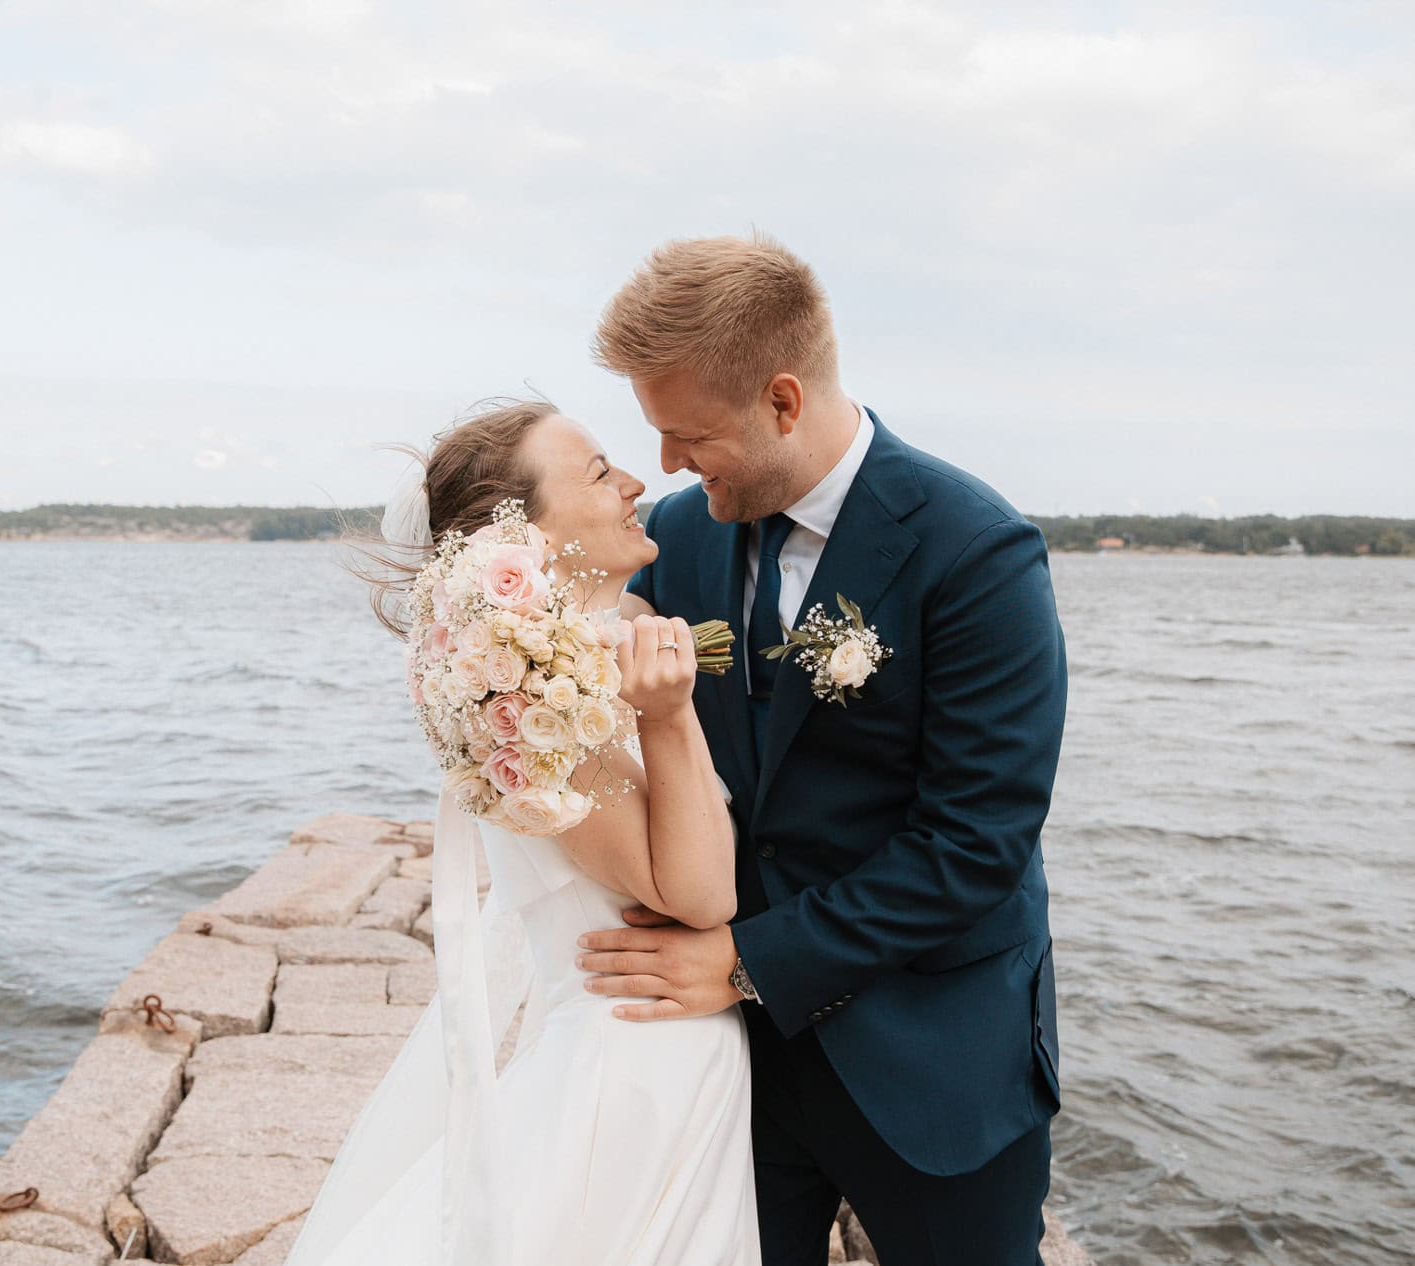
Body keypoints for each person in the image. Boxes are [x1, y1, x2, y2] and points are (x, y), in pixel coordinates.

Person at [579, 233, 1069, 1265]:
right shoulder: (685, 535)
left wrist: (747, 962)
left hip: (933, 1061)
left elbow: (974, 843)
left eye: (687, 433)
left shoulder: (976, 551)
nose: (665, 463)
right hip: (731, 1068)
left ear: (783, 401)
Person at [287, 400, 761, 1265]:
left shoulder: (605, 637)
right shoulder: (534, 696)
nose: (634, 482)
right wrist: (668, 714)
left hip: (665, 1054)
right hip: (634, 1073)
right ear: (530, 537)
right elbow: (700, 896)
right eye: (598, 472)